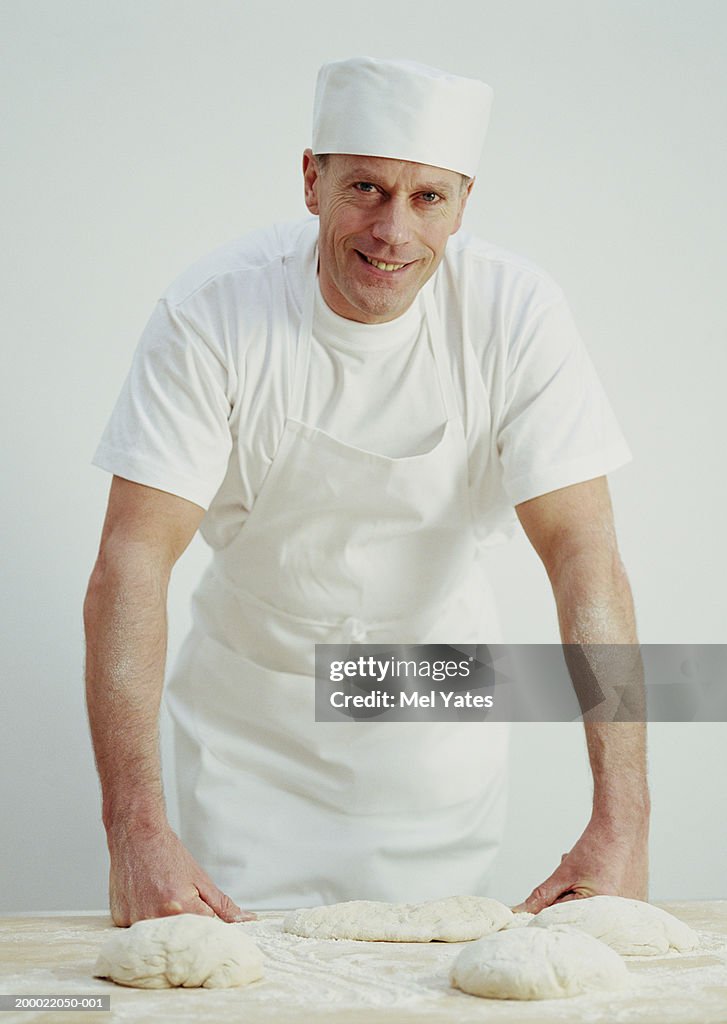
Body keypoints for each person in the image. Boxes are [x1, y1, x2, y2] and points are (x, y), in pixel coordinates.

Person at [84, 56, 650, 927]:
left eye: (427, 198)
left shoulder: (513, 314)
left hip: (430, 724)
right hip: (252, 727)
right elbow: (131, 560)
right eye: (365, 189)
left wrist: (624, 819)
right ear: (311, 181)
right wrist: (133, 833)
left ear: (464, 202)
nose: (392, 229)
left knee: (416, 975)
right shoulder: (214, 314)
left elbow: (584, 554)